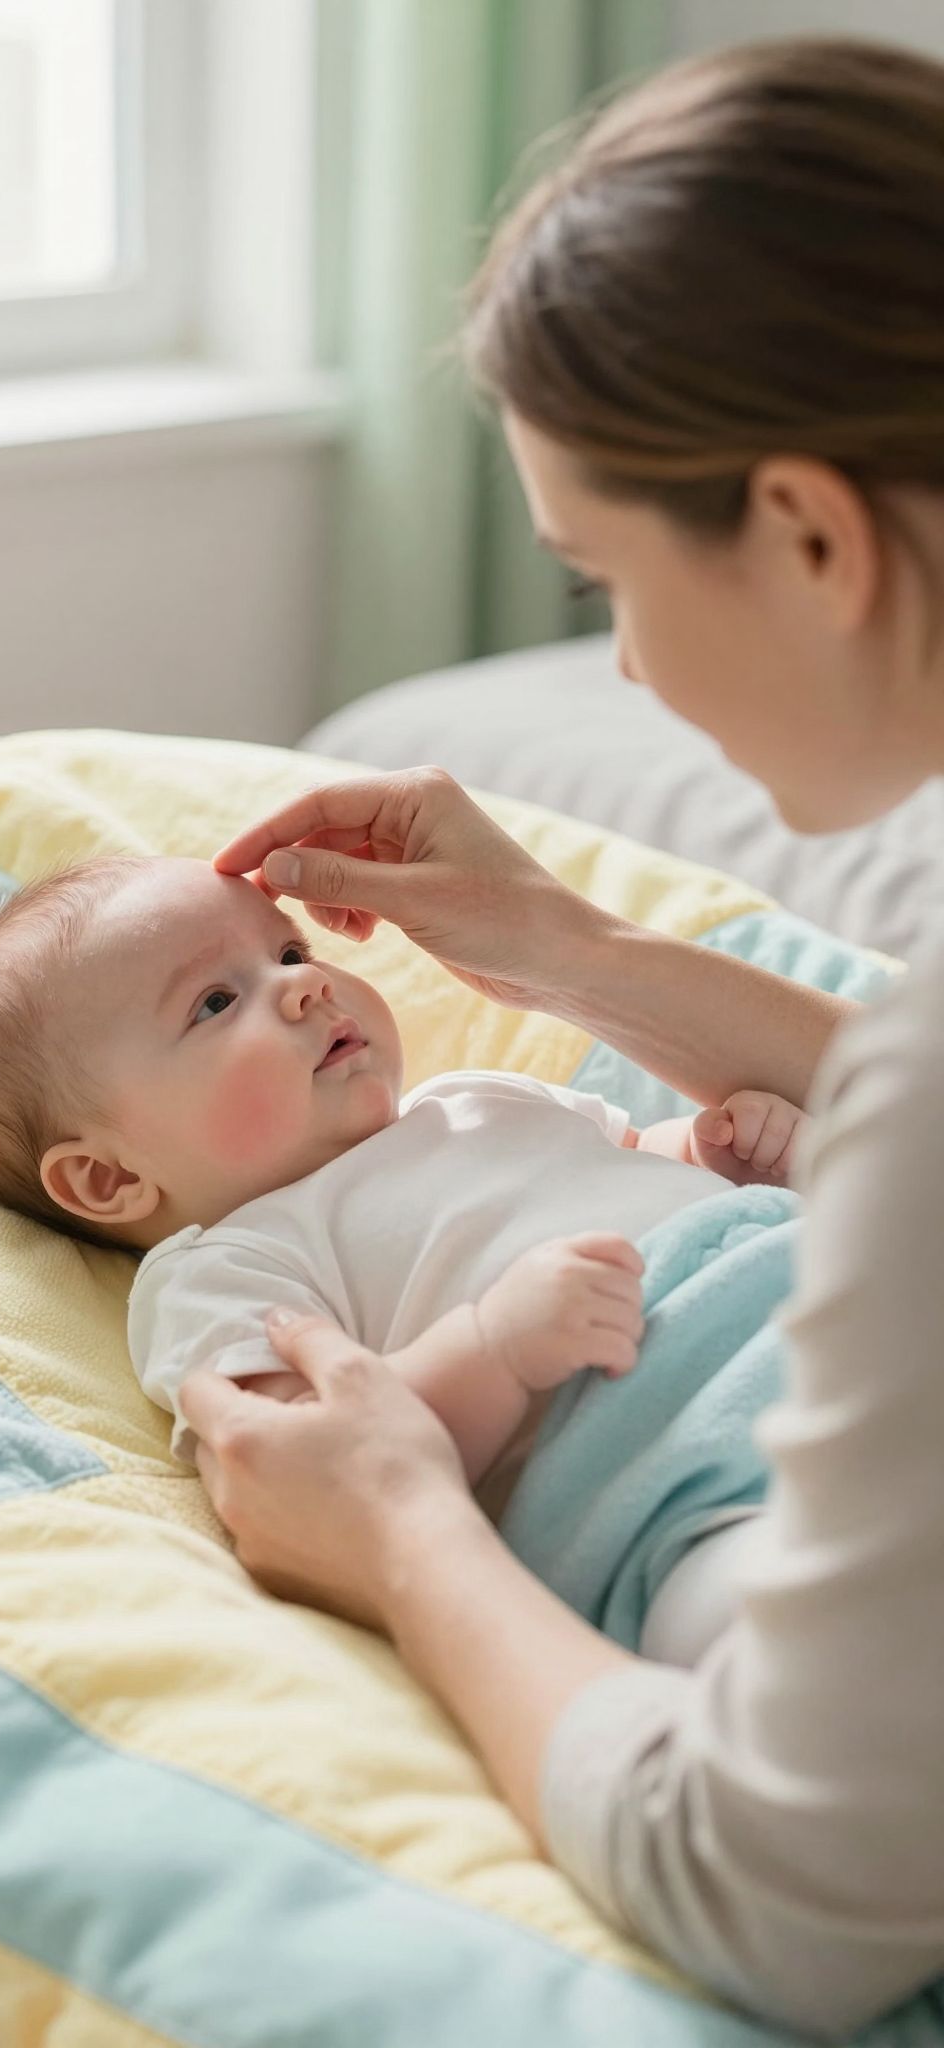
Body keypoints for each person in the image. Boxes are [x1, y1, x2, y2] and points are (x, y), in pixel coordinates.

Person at [181, 36, 944, 2038]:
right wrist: (570, 946)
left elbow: (779, 1900)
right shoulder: (238, 1253)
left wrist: (404, 1528)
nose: (614, 659)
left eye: (604, 570)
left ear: (808, 531)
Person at [0, 850, 805, 1669]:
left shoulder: (474, 1098)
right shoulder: (228, 1270)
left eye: (290, 951)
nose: (304, 989)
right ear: (110, 1176)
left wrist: (712, 1150)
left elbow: (635, 1157)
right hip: (675, 1485)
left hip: (829, 1322)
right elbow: (316, 1467)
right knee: (775, 1627)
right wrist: (493, 1347)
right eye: (215, 1003)